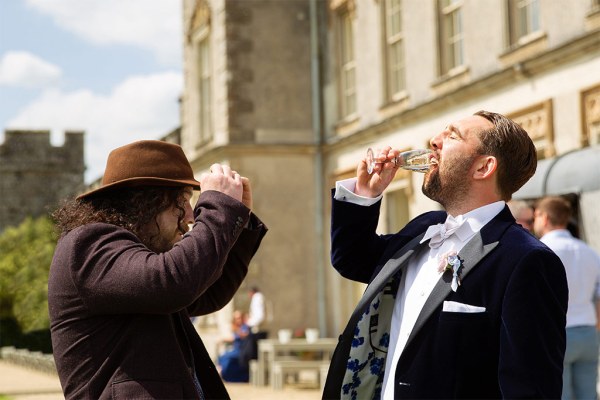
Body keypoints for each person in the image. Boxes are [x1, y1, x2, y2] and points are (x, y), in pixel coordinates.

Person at [323, 111, 568, 399]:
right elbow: (352, 258)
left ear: (483, 167)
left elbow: (530, 388)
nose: (434, 141)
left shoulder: (527, 260)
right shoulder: (423, 228)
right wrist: (364, 193)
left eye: (452, 135)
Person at [48, 140, 267, 399]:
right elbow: (172, 282)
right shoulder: (87, 244)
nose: (190, 215)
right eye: (182, 201)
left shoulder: (137, 253)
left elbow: (206, 293)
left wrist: (237, 223)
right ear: (144, 203)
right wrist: (220, 208)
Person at [533, 196, 600, 400]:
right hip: (588, 331)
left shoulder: (539, 251)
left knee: (560, 394)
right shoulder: (588, 251)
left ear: (544, 217)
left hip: (557, 334)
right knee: (588, 394)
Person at [218, 310, 251, 382]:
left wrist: (224, 339)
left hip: (242, 350)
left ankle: (223, 374)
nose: (238, 320)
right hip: (236, 349)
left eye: (239, 318)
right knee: (222, 358)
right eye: (236, 318)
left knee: (225, 357)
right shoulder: (237, 328)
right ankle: (224, 374)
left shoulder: (244, 327)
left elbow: (243, 335)